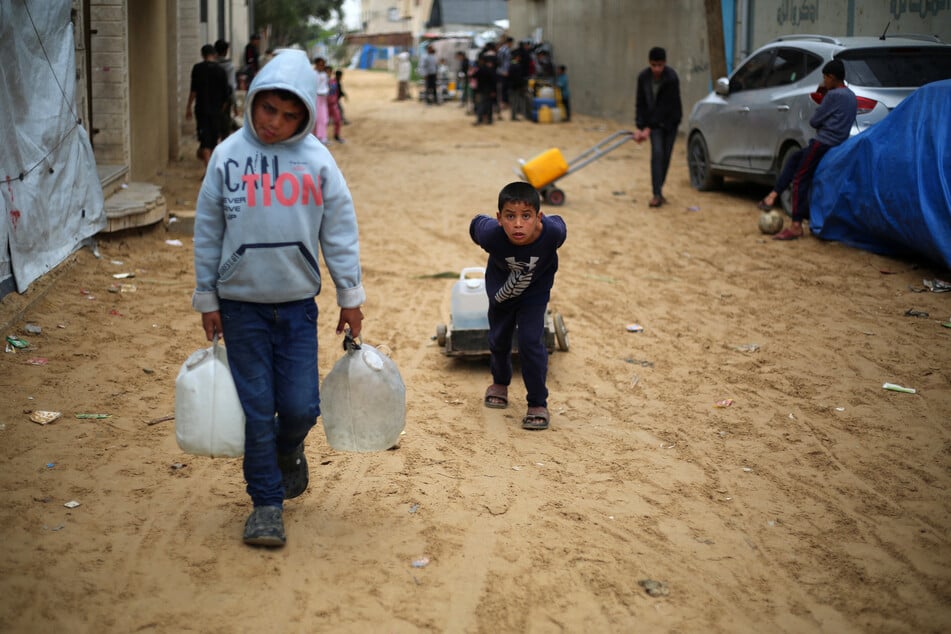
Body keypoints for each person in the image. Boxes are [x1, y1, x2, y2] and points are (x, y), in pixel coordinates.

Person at [191, 48, 366, 547]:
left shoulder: (317, 160)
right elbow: (207, 231)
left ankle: (289, 450)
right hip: (240, 306)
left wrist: (349, 295)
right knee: (256, 407)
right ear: (253, 101)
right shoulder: (227, 156)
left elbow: (339, 231)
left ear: (308, 113)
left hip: (295, 308)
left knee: (299, 407)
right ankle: (266, 502)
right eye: (269, 109)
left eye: (291, 116)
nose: (276, 123)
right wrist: (208, 297)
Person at [470, 181, 567, 431]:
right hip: (501, 295)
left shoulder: (553, 234)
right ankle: (500, 383)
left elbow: (559, 222)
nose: (518, 224)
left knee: (530, 342)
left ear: (538, 218)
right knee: (499, 339)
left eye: (526, 216)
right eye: (510, 217)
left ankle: (537, 403)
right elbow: (475, 224)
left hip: (535, 294)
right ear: (499, 218)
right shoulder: (490, 234)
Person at [759, 59, 858, 240]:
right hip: (838, 143)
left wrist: (824, 97)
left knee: (799, 178)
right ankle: (772, 196)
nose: (824, 81)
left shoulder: (834, 95)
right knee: (795, 158)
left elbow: (815, 121)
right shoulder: (851, 96)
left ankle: (796, 225)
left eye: (825, 77)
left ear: (831, 77)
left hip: (823, 143)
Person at [634, 46, 682, 208]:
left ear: (665, 64)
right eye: (654, 65)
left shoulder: (671, 78)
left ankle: (659, 189)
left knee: (666, 157)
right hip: (654, 125)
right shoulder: (643, 78)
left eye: (660, 65)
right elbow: (640, 103)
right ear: (649, 63)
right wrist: (641, 126)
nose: (657, 69)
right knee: (657, 153)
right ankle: (656, 194)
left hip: (669, 122)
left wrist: (648, 127)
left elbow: (665, 107)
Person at [186, 44, 231, 167]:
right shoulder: (221, 71)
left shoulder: (197, 69)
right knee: (214, 138)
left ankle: (208, 168)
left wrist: (188, 107)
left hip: (201, 109)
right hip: (216, 111)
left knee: (204, 139)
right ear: (215, 55)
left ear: (202, 55)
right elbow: (226, 95)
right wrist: (221, 110)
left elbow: (193, 91)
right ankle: (213, 167)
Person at [214, 39, 238, 139]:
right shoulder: (230, 66)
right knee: (225, 126)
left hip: (212, 99)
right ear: (226, 51)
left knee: (214, 126)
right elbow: (231, 86)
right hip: (225, 100)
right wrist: (235, 104)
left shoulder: (212, 65)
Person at [472, 53, 497, 125]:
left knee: (481, 105)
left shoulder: (480, 69)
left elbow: (474, 76)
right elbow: (494, 80)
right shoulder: (491, 69)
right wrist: (493, 91)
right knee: (489, 105)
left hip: (481, 90)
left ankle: (480, 120)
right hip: (489, 90)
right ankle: (489, 120)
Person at [311, 57, 329, 143]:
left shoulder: (324, 75)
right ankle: (313, 137)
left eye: (323, 65)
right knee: (314, 118)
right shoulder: (312, 73)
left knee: (323, 118)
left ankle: (322, 136)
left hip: (322, 99)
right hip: (315, 98)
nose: (321, 66)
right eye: (320, 64)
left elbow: (324, 86)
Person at [326, 66, 344, 143]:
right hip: (325, 105)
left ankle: (336, 135)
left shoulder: (334, 82)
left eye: (329, 72)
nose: (328, 74)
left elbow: (337, 93)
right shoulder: (324, 82)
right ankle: (321, 137)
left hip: (333, 104)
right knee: (323, 122)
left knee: (337, 120)